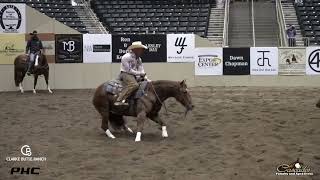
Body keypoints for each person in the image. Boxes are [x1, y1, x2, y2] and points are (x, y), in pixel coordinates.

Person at [114, 41, 150, 106]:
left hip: (134, 74)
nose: (142, 51)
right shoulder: (126, 57)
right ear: (135, 49)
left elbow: (141, 69)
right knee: (134, 84)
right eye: (140, 49)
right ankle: (119, 100)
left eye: (142, 49)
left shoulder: (139, 59)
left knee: (145, 83)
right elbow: (128, 70)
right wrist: (140, 74)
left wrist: (145, 77)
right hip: (125, 73)